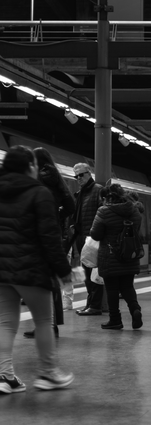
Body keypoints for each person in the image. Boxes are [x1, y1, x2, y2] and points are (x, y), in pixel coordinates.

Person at [0, 146, 75, 392]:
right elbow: (50, 239)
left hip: (2, 270)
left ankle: (4, 376)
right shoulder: (40, 193)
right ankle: (48, 373)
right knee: (44, 321)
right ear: (30, 167)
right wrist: (64, 271)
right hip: (32, 269)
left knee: (5, 324)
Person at [23, 148, 76, 339]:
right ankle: (50, 325)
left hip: (36, 234)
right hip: (53, 233)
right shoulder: (58, 180)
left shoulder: (36, 179)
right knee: (49, 281)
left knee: (38, 282)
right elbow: (71, 205)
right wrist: (56, 217)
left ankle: (44, 326)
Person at [88, 182, 143, 330]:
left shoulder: (104, 211)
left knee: (112, 289)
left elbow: (95, 234)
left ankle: (115, 320)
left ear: (107, 197)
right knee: (127, 286)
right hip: (129, 255)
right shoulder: (134, 210)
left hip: (110, 255)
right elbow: (136, 229)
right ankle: (135, 309)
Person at [72, 163, 105, 316]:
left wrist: (95, 234)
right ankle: (91, 303)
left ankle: (95, 305)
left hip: (92, 239)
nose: (79, 178)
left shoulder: (97, 190)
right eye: (76, 176)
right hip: (82, 237)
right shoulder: (81, 193)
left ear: (89, 173)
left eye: (81, 174)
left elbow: (102, 213)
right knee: (87, 274)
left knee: (93, 274)